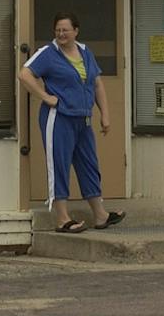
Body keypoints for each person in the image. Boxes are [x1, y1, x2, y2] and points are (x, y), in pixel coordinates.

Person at [18, 12, 123, 233]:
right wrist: (46, 97)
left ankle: (101, 215)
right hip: (59, 118)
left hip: (83, 117)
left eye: (65, 30)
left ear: (76, 31)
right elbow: (24, 74)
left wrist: (104, 114)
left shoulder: (85, 52)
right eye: (58, 30)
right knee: (59, 164)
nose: (61, 34)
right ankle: (62, 218)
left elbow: (96, 84)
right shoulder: (48, 53)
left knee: (89, 164)